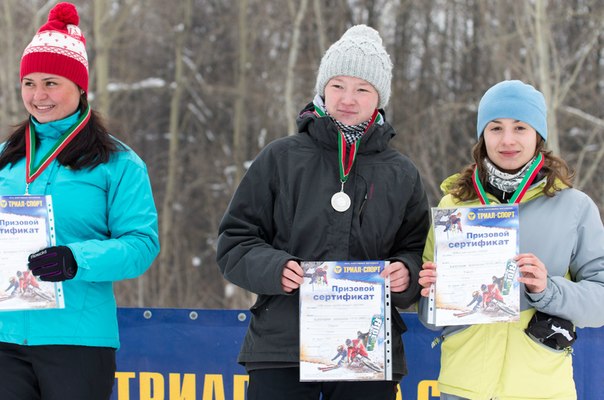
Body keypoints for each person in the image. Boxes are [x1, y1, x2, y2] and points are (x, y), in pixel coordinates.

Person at [216, 24, 430, 400]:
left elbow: (416, 250)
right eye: (338, 85)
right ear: (322, 89)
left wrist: (406, 273)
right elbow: (235, 241)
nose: (347, 98)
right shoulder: (280, 157)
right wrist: (275, 268)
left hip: (366, 352)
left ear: (379, 97)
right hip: (282, 347)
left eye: (362, 89)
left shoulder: (402, 173)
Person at [0, 3, 160, 399]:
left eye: (51, 83)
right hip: (5, 339)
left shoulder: (118, 163)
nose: (38, 96)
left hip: (78, 341)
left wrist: (76, 259)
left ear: (79, 86)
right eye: (29, 83)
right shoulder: (5, 158)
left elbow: (141, 245)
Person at [417, 80, 604, 399]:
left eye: (520, 127)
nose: (507, 140)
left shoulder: (574, 207)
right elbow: (430, 318)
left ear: (538, 136)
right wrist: (433, 295)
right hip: (462, 388)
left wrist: (547, 290)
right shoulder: (454, 206)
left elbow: (599, 302)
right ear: (482, 136)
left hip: (542, 390)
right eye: (495, 128)